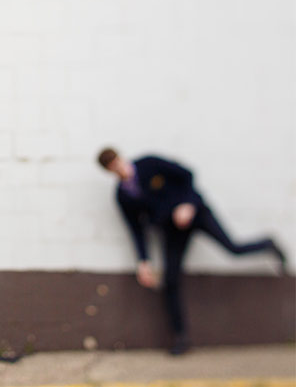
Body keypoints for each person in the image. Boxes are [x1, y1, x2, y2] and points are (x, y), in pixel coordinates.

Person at [96, 147, 287, 355]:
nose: (119, 168)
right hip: (172, 230)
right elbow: (136, 229)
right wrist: (143, 261)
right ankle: (181, 337)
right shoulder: (123, 195)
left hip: (197, 214)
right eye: (113, 168)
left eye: (117, 162)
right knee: (171, 281)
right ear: (109, 171)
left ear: (121, 157)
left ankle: (268, 244)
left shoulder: (149, 163)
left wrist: (186, 204)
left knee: (233, 249)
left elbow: (187, 174)